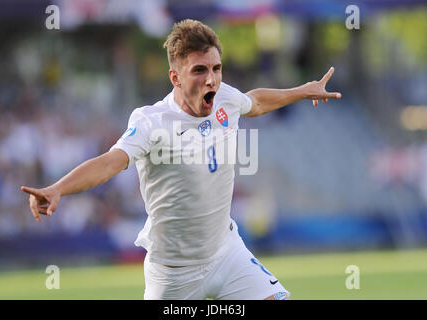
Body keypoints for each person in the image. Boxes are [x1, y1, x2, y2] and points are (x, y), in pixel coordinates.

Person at [21, 19, 341, 300]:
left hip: (227, 254)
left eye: (216, 69)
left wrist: (303, 90)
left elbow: (254, 102)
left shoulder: (225, 97)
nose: (211, 79)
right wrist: (59, 188)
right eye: (199, 70)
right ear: (175, 77)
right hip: (174, 274)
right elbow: (110, 162)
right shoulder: (151, 122)